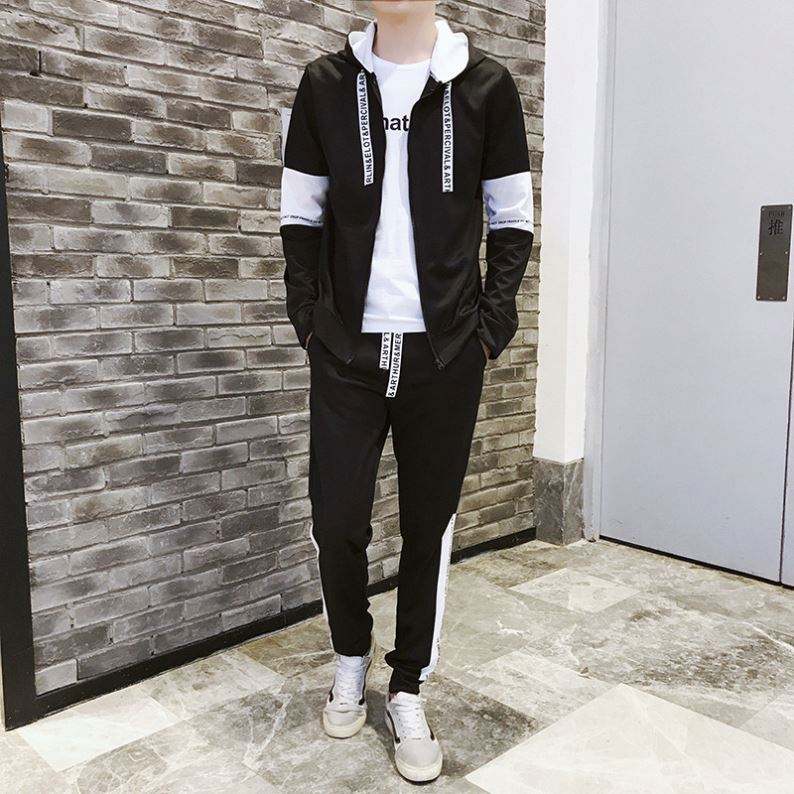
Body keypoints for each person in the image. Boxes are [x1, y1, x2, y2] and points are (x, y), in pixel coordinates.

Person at [279, 0, 533, 783]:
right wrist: (310, 322)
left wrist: (488, 330)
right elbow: (300, 216)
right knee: (337, 521)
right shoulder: (325, 84)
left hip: (445, 353)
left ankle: (409, 685)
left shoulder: (485, 86)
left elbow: (512, 221)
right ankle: (350, 658)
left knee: (430, 529)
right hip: (346, 351)